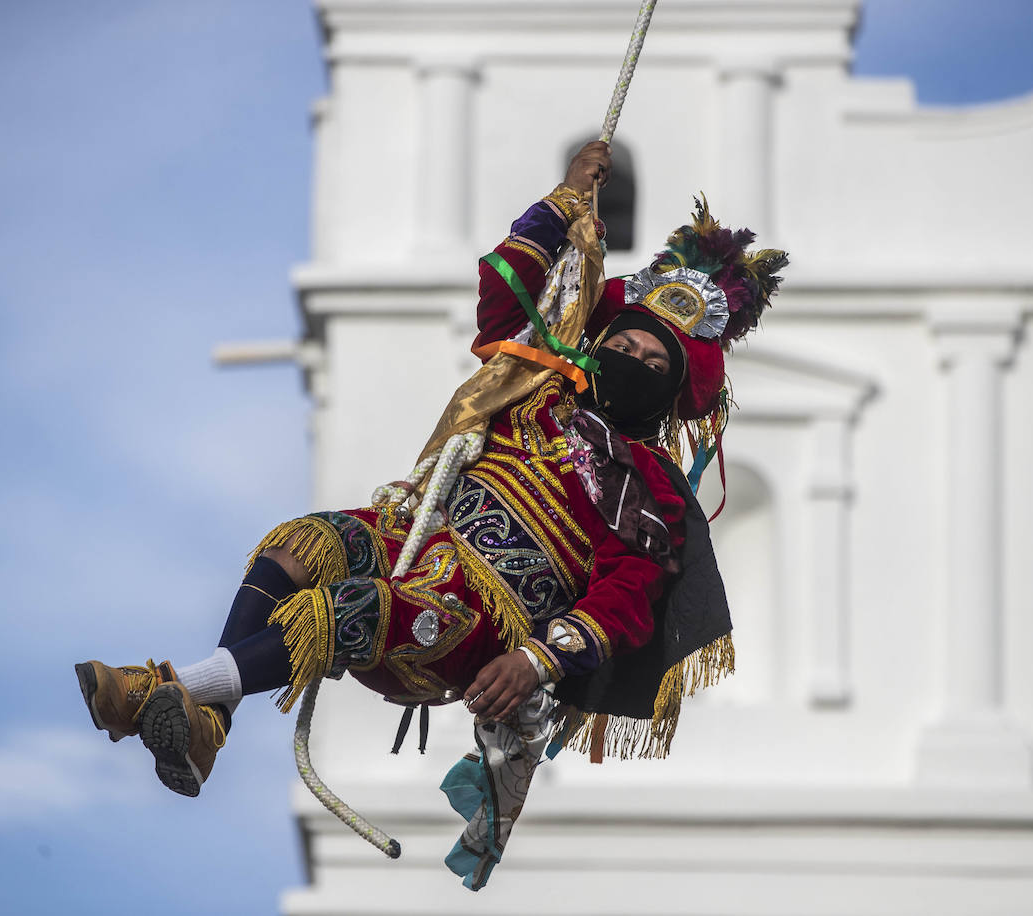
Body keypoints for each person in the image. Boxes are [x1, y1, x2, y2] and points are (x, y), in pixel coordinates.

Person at [76, 140, 787, 886]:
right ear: (598, 343)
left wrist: (538, 657)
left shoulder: (652, 489)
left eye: (653, 366)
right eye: (627, 346)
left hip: (482, 615)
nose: (635, 364)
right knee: (302, 543)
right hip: (415, 531)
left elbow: (625, 598)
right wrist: (565, 202)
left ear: (673, 394)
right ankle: (207, 723)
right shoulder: (535, 383)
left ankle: (176, 690)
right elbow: (506, 294)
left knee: (348, 609)